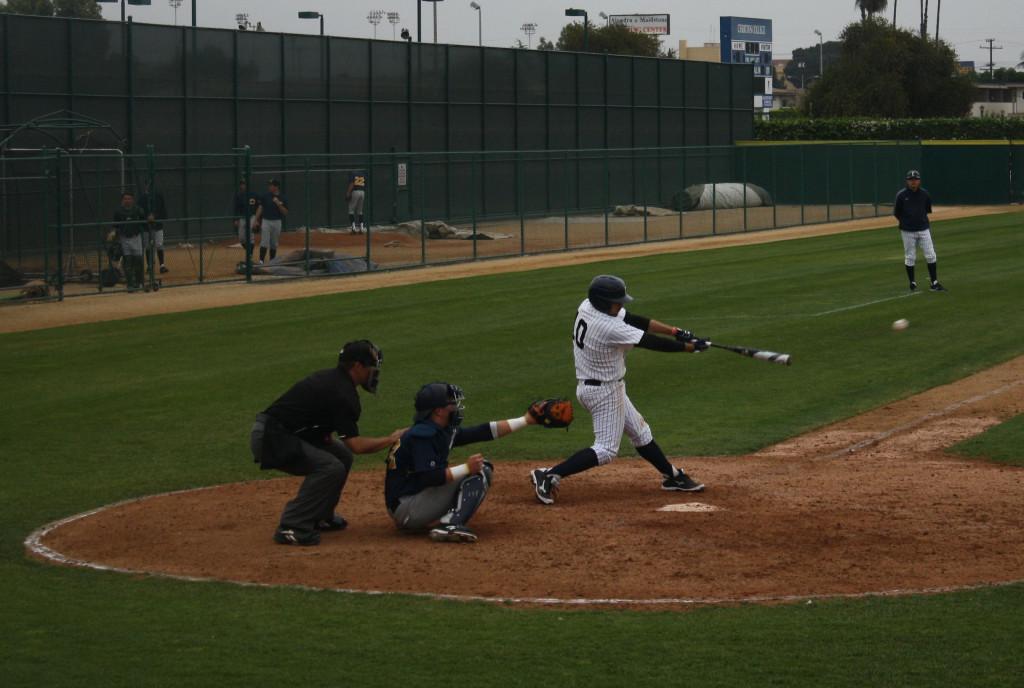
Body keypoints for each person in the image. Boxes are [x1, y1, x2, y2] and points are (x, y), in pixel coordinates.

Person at [530, 275, 707, 505]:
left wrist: (674, 331)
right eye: (617, 301)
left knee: (640, 433)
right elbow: (650, 342)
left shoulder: (586, 306)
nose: (621, 305)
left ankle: (672, 476)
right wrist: (689, 347)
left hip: (598, 387)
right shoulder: (608, 327)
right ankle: (549, 474)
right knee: (606, 450)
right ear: (603, 302)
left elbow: (634, 320)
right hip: (604, 392)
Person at [250, 340, 403, 546]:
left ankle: (321, 516)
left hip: (287, 432)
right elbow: (356, 446)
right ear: (357, 366)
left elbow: (312, 418)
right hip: (271, 437)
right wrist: (391, 439)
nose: (373, 373)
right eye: (371, 367)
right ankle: (292, 526)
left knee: (341, 455)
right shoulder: (342, 393)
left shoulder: (336, 381)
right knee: (330, 467)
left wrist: (321, 435)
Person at [385, 382, 540, 543]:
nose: (455, 408)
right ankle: (451, 524)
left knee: (477, 468)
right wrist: (466, 467)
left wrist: (526, 420)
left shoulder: (436, 429)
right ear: (438, 411)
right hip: (408, 509)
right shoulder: (423, 437)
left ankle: (428, 521)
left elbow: (482, 432)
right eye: (451, 404)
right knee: (480, 470)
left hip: (408, 505)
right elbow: (430, 478)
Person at [894, 170, 945, 292]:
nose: (913, 182)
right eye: (911, 180)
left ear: (919, 181)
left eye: (915, 180)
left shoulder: (925, 194)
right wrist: (907, 222)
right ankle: (912, 282)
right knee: (910, 256)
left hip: (923, 229)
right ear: (907, 181)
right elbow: (897, 213)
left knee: (931, 255)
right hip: (907, 231)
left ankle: (934, 282)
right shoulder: (901, 195)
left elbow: (927, 210)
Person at [111, 191, 147, 292]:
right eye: (125, 199)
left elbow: (145, 221)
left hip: (136, 237)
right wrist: (113, 232)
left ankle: (139, 282)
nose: (127, 200)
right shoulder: (118, 211)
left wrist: (149, 219)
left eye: (129, 198)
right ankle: (130, 284)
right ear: (122, 200)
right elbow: (115, 225)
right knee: (128, 261)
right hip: (124, 238)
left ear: (132, 200)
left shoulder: (138, 210)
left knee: (138, 261)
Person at [254, 178, 288, 264]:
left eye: (271, 185)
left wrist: (278, 204)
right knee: (264, 241)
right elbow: (260, 208)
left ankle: (272, 261)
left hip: (277, 222)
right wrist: (256, 220)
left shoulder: (282, 197)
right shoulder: (265, 196)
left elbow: (285, 212)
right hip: (266, 221)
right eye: (269, 185)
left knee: (274, 243)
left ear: (276, 187)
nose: (269, 187)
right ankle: (261, 260)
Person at [138, 182, 169, 275]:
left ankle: (162, 265)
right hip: (146, 227)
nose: (150, 188)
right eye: (148, 185)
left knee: (159, 244)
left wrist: (155, 216)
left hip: (157, 226)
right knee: (148, 246)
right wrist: (146, 217)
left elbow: (163, 212)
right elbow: (139, 212)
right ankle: (149, 266)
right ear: (146, 186)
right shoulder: (142, 198)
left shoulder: (159, 197)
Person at [232, 178, 260, 261]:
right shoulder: (239, 195)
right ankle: (249, 252)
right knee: (241, 238)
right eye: (242, 184)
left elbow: (259, 207)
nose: (243, 185)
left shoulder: (254, 194)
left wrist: (257, 220)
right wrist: (236, 219)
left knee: (251, 237)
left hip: (252, 217)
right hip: (242, 217)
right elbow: (236, 208)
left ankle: (250, 255)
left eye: (244, 184)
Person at [346, 169, 367, 234]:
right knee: (360, 211)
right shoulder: (363, 174)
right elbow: (365, 184)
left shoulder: (353, 173)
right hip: (362, 192)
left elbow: (352, 183)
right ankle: (361, 228)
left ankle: (353, 229)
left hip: (355, 191)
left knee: (351, 210)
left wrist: (348, 193)